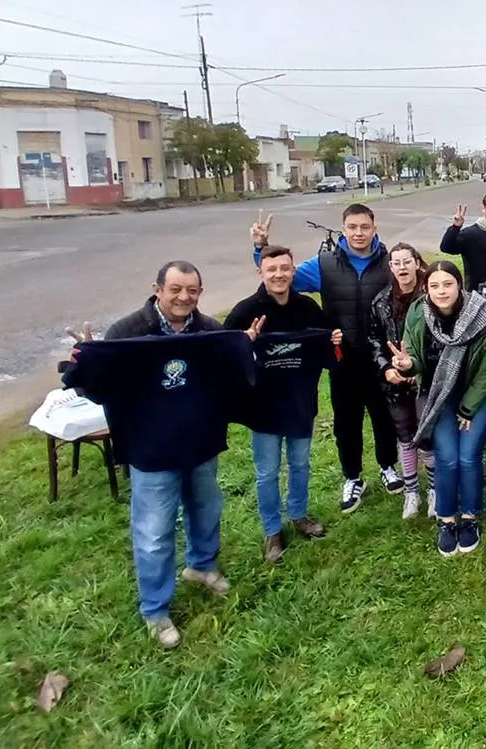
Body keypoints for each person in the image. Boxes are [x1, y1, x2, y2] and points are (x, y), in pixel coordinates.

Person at [62, 261, 256, 649]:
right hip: (151, 449)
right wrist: (87, 360)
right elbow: (95, 390)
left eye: (192, 291)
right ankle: (155, 608)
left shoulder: (209, 331)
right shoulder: (127, 333)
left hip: (201, 442)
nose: (184, 297)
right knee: (153, 532)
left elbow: (230, 379)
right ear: (157, 290)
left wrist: (243, 348)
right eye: (175, 289)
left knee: (206, 509)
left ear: (200, 293)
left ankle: (202, 566)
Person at [250, 205, 403, 514]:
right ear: (343, 229)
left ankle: (388, 466)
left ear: (374, 228)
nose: (358, 233)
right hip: (342, 358)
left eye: (364, 227)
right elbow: (281, 277)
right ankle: (353, 477)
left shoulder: (389, 263)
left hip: (381, 357)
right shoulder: (324, 264)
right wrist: (261, 248)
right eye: (352, 227)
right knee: (346, 422)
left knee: (385, 417)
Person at [224, 245, 338, 563]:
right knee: (267, 472)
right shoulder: (246, 310)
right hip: (263, 407)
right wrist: (242, 342)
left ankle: (299, 515)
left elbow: (327, 344)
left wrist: (334, 341)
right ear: (260, 272)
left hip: (300, 402)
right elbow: (221, 354)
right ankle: (272, 531)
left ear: (293, 271)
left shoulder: (307, 307)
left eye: (285, 268)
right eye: (271, 269)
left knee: (300, 464)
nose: (279, 275)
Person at [388, 262, 486, 557]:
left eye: (448, 284)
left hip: (476, 394)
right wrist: (406, 365)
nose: (441, 291)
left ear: (459, 285)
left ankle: (470, 517)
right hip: (439, 395)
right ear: (426, 288)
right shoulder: (418, 312)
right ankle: (447, 519)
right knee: (448, 458)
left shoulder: (480, 312)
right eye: (434, 285)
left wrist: (468, 408)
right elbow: (415, 359)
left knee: (468, 456)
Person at [368, 242, 437, 521]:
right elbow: (373, 340)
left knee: (427, 436)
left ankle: (435, 489)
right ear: (390, 267)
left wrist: (419, 368)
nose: (402, 267)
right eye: (396, 263)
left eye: (407, 261)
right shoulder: (380, 301)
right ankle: (411, 492)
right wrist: (386, 368)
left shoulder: (430, 296)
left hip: (425, 381)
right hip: (394, 382)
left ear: (417, 263)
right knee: (405, 435)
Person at [439, 191, 486, 290]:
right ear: (483, 208)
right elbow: (446, 248)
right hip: (474, 290)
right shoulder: (469, 234)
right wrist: (456, 227)